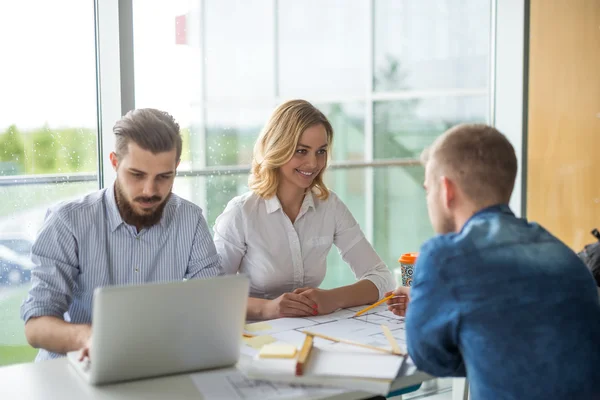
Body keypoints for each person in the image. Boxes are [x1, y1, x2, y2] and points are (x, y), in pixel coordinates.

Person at [386, 124, 600, 399]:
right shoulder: (564, 256)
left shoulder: (444, 257)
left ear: (446, 190)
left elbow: (431, 360)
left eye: (427, 190)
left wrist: (425, 306)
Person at [21, 108, 223, 362]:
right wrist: (88, 338)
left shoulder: (190, 220)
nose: (150, 190)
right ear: (115, 162)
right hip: (74, 368)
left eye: (164, 176)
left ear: (176, 168)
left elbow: (214, 304)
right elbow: (36, 325)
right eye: (137, 175)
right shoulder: (68, 222)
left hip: (154, 364)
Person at [214, 99, 394, 320]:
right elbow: (211, 294)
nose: (313, 163)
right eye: (301, 151)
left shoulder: (330, 206)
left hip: (310, 331)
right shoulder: (241, 213)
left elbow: (382, 278)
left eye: (321, 151)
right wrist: (268, 308)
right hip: (257, 336)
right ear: (278, 148)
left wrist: (332, 298)